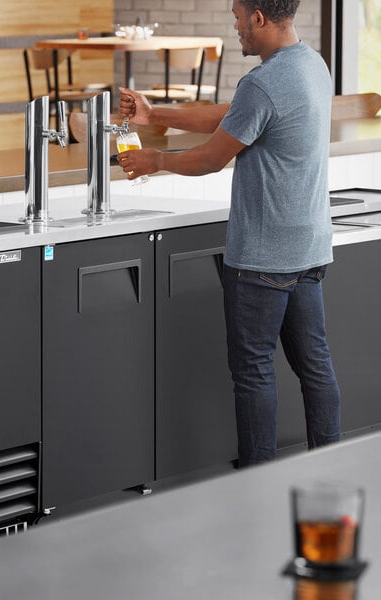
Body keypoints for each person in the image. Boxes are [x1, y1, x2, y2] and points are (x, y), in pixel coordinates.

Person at [118, 0, 341, 467]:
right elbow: (236, 112)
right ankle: (330, 466)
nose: (235, 26)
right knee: (315, 368)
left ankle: (256, 479)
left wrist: (156, 161)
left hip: (262, 256)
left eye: (239, 17)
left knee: (254, 373)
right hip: (309, 246)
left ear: (259, 17)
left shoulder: (263, 81)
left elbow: (210, 157)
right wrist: (155, 115)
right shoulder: (312, 64)